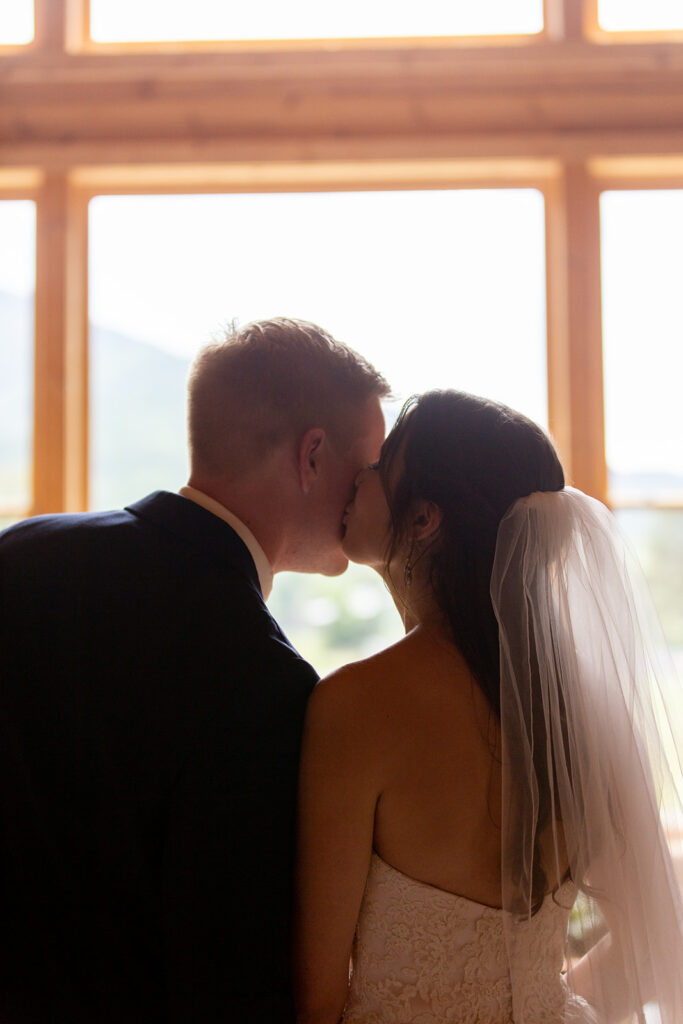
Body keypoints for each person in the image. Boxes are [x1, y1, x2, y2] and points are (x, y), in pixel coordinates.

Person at [0, 317, 389, 1023]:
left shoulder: (22, 553)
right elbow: (230, 969)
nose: (370, 496)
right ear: (311, 457)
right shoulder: (261, 678)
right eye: (366, 472)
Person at [295, 389, 683, 1024]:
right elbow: (657, 930)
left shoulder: (356, 706)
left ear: (423, 519)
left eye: (382, 463)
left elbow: (316, 999)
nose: (359, 476)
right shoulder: (572, 700)